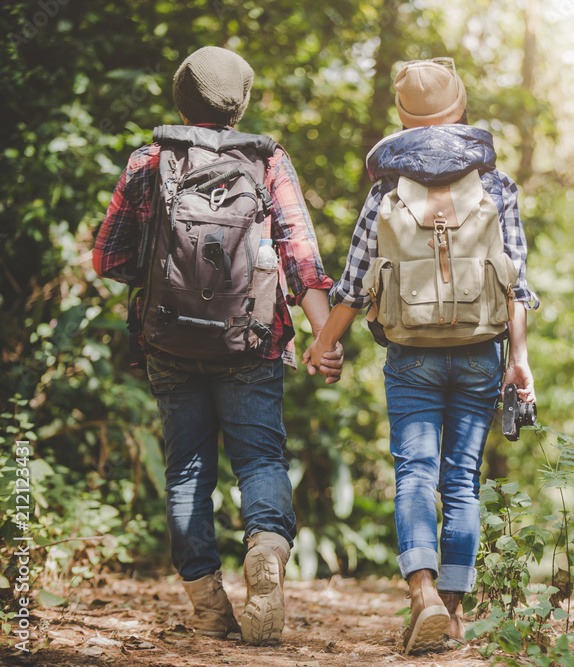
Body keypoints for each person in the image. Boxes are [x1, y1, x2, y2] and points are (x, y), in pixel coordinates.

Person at [93, 46, 340, 645]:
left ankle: (207, 604)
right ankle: (268, 550)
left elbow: (108, 258)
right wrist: (323, 338)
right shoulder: (268, 161)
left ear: (181, 97)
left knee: (187, 473)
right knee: (259, 459)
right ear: (241, 104)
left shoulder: (149, 160)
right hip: (252, 342)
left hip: (169, 341)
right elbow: (300, 256)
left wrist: (168, 281)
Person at [303, 57, 538, 654]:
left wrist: (322, 343)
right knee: (461, 480)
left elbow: (354, 289)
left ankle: (423, 595)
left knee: (414, 473)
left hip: (410, 356)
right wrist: (520, 358)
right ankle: (454, 615)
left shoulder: (386, 191)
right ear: (460, 110)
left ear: (402, 120)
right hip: (482, 350)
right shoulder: (498, 187)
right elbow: (516, 284)